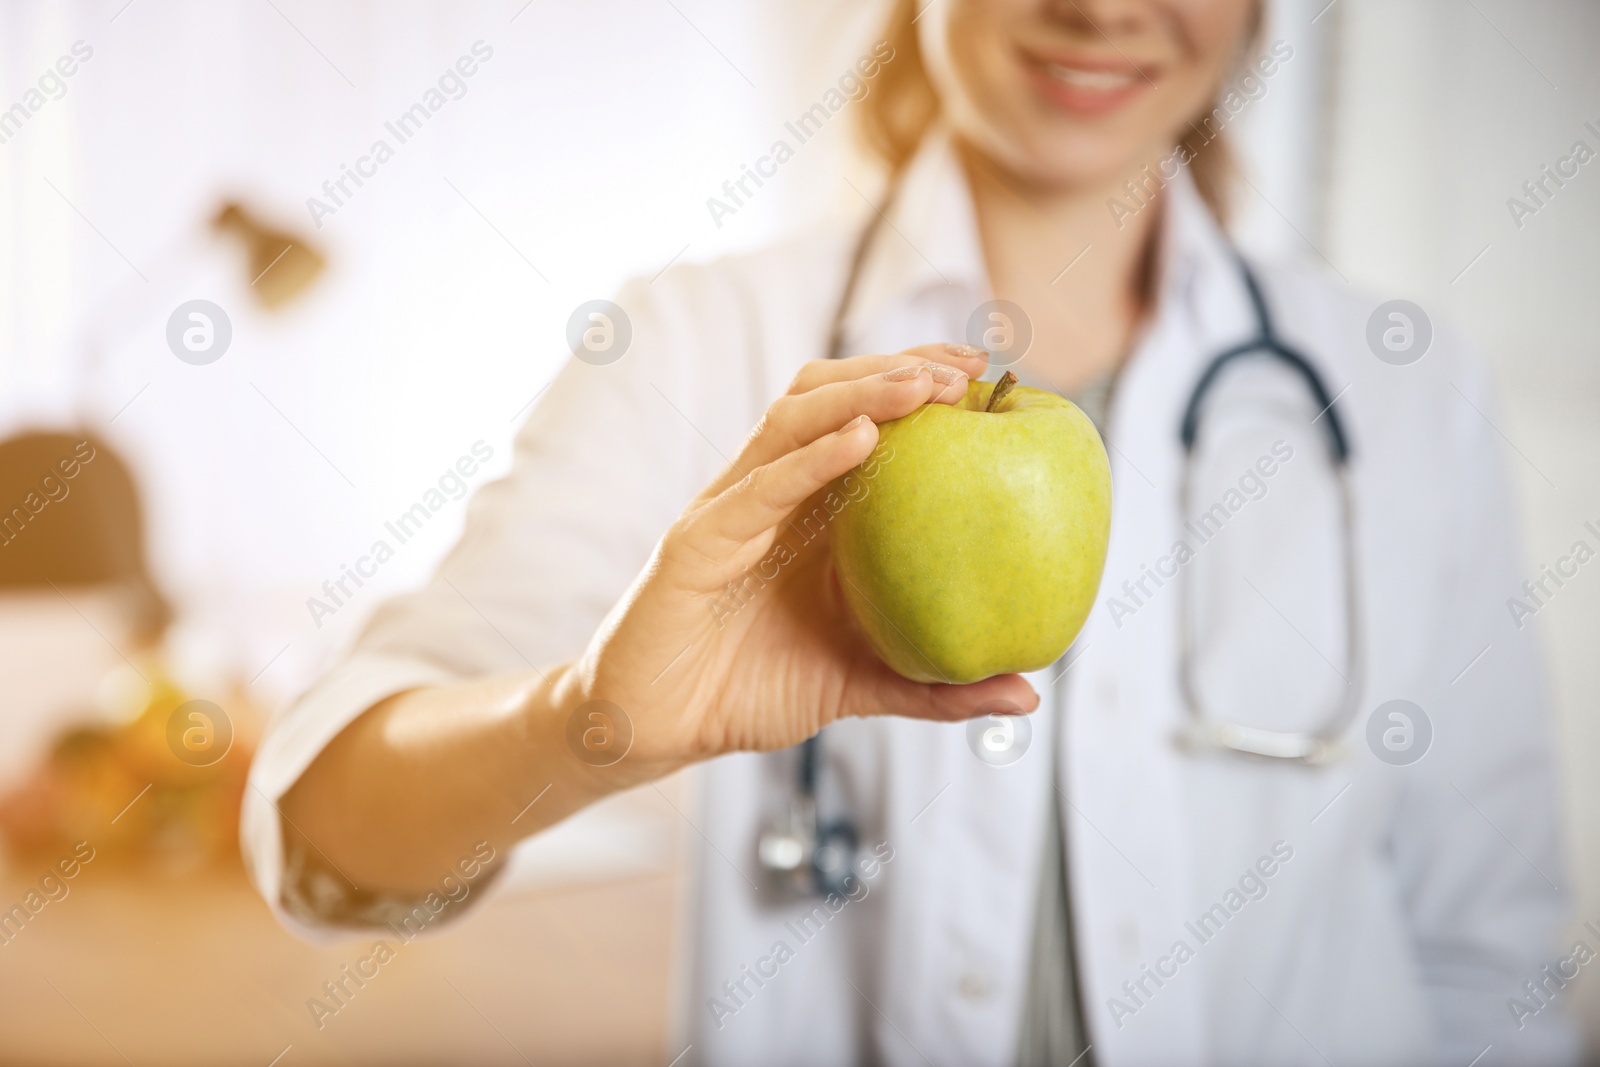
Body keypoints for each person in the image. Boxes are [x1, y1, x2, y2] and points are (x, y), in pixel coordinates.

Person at [244, 1, 1576, 1064]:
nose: (1101, 7)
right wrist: (584, 724)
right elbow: (326, 836)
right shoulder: (692, 346)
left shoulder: (1405, 387)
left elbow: (1491, 946)